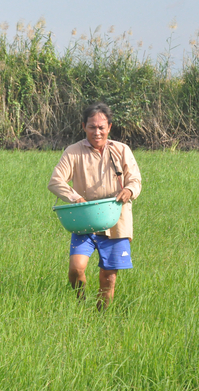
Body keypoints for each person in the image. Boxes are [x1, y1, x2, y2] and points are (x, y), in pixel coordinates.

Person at [48, 102, 142, 310]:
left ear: (109, 127)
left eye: (101, 127)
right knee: (76, 269)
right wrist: (75, 198)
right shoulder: (73, 152)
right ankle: (80, 305)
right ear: (83, 126)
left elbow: (135, 180)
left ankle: (101, 315)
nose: (97, 132)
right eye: (92, 127)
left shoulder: (121, 150)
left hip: (116, 222)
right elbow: (55, 181)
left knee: (108, 277)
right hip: (84, 221)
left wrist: (129, 191)